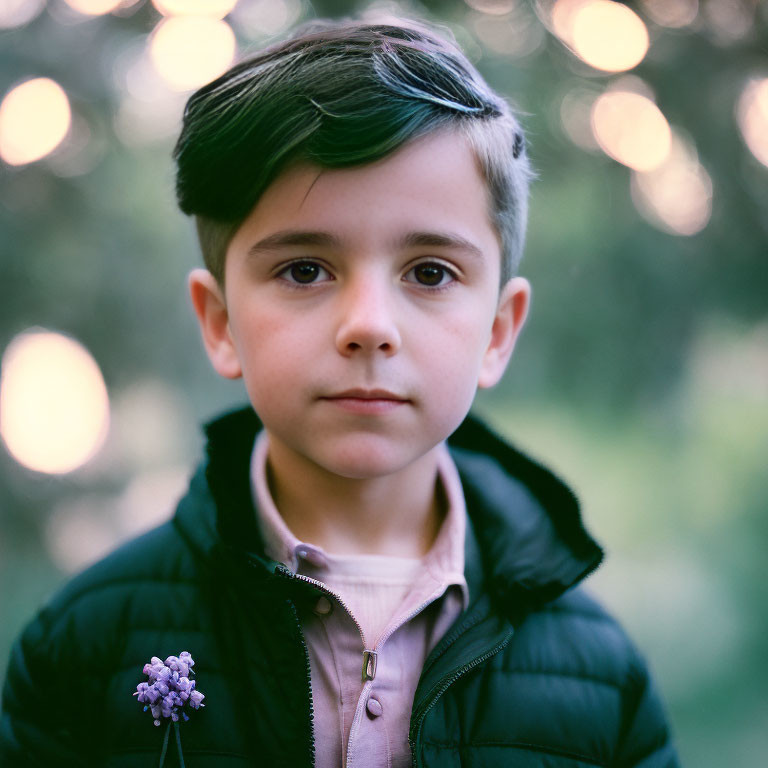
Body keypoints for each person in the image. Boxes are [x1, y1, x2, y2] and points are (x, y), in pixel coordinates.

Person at [0, 16, 680, 768]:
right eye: (304, 270)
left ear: (497, 331)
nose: (367, 327)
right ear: (221, 322)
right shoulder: (86, 645)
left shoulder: (603, 683)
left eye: (429, 273)